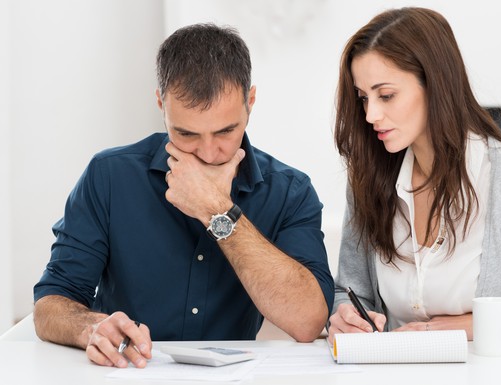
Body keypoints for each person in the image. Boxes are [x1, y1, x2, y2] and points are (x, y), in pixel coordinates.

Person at [33, 23, 334, 368]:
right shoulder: (110, 176)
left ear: (250, 101)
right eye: (186, 133)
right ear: (161, 102)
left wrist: (217, 211)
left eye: (225, 131)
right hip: (126, 373)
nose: (207, 153)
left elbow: (308, 320)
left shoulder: (289, 191)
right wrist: (92, 327)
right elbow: (50, 304)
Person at [328, 7, 501, 344]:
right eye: (363, 98)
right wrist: (347, 317)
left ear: (436, 84)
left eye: (386, 95)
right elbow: (352, 292)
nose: (371, 114)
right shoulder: (368, 180)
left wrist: (487, 326)